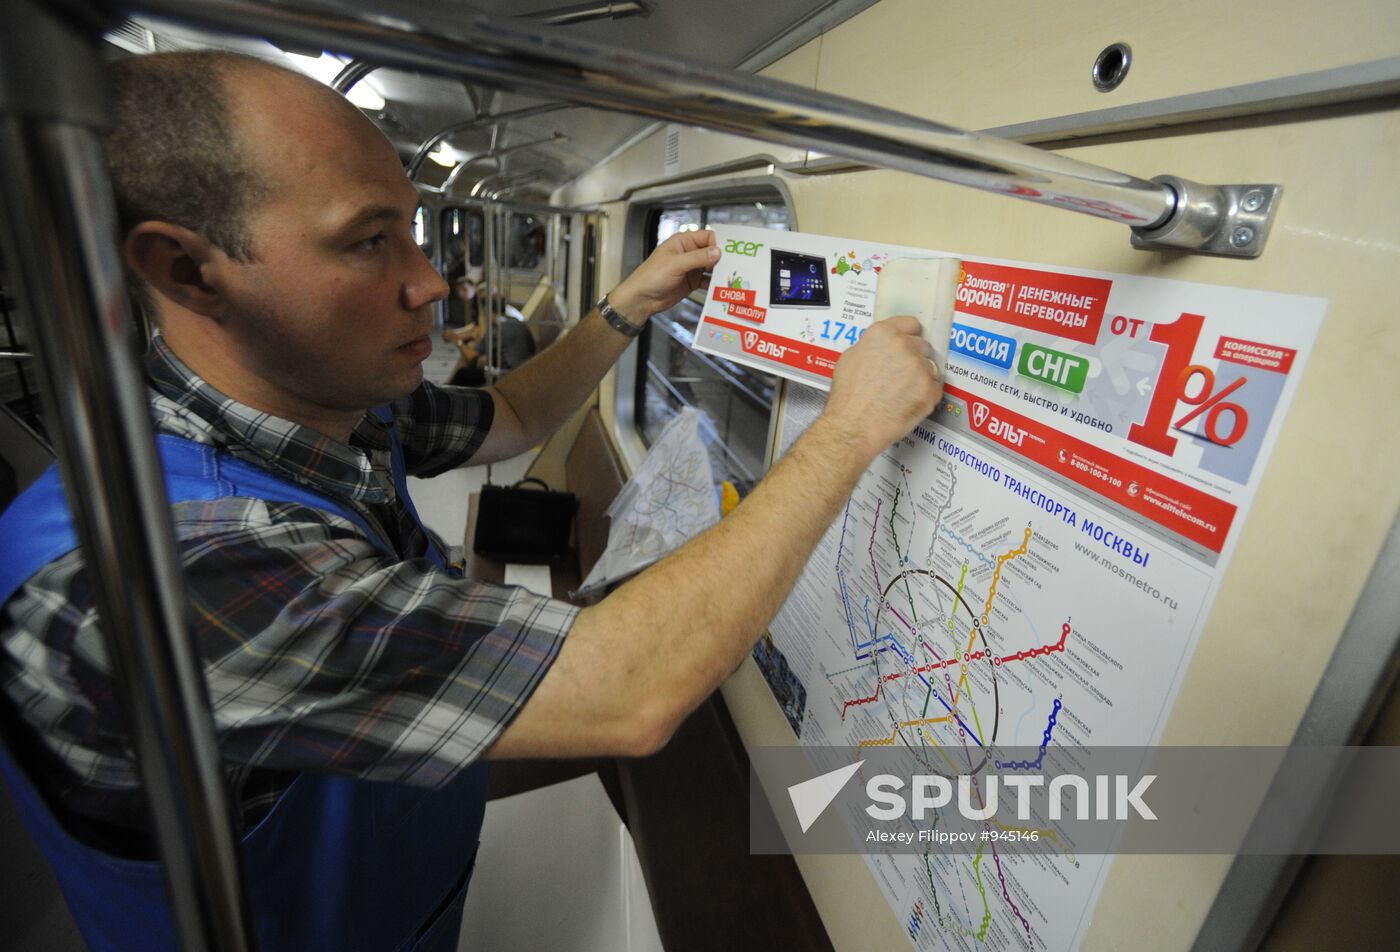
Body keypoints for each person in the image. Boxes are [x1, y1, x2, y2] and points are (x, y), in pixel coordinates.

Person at [0, 51, 942, 951]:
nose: (429, 283)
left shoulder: (316, 403)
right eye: (368, 242)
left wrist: (628, 305)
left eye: (410, 229)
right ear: (185, 270)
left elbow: (508, 416)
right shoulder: (158, 574)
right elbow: (633, 692)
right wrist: (848, 430)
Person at [442, 263, 536, 386]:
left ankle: (448, 390)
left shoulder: (498, 328)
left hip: (511, 375)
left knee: (464, 372)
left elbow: (472, 357)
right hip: (524, 368)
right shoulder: (510, 319)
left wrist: (457, 341)